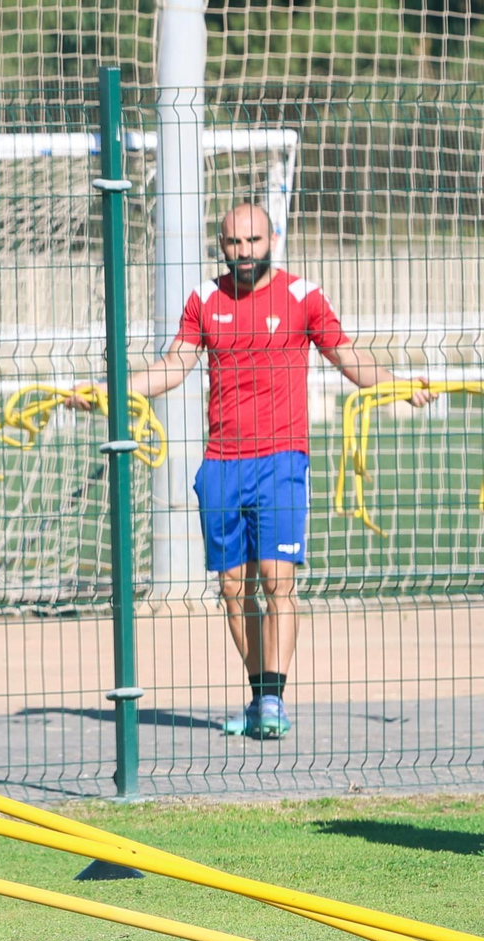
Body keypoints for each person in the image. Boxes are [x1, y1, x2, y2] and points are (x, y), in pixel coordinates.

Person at [70, 203, 432, 740]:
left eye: (254, 240)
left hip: (282, 460)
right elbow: (175, 365)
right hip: (220, 464)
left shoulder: (302, 296)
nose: (244, 252)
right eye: (234, 242)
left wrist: (397, 384)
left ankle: (273, 701)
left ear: (272, 239)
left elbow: (348, 358)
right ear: (222, 245)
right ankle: (261, 694)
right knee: (234, 589)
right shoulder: (204, 300)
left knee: (276, 581)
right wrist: (111, 392)